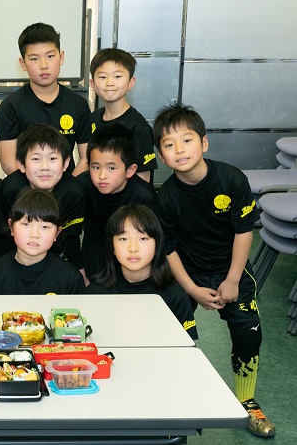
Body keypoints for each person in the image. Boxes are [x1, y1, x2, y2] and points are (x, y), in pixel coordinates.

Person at [153, 102, 274, 438]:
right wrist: (191, 289)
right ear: (161, 155)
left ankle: (247, 401)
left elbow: (244, 231)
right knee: (170, 332)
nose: (179, 150)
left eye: (187, 140)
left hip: (231, 269)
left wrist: (232, 280)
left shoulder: (232, 179)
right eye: (169, 144)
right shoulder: (167, 197)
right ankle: (168, 395)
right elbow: (169, 248)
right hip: (187, 272)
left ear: (204, 143)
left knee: (249, 334)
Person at [0, 22, 90, 176]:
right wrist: (36, 186)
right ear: (23, 64)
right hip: (26, 187)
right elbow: (9, 163)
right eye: (34, 59)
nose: (43, 65)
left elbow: (86, 158)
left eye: (50, 56)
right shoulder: (11, 106)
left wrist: (69, 186)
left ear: (61, 57)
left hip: (68, 184)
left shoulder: (78, 104)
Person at [88, 205, 196, 339]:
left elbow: (186, 346)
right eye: (123, 239)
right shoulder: (95, 293)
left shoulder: (175, 294)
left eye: (143, 238)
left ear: (157, 245)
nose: (133, 248)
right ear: (112, 247)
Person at [0, 124, 85, 276]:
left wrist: (79, 270)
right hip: (16, 254)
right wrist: (3, 272)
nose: (44, 167)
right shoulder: (10, 189)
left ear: (66, 163)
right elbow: (2, 236)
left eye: (52, 158)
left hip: (56, 256)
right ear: (21, 164)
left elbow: (71, 238)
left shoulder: (75, 193)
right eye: (36, 159)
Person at [78, 123, 156, 282]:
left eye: (111, 168)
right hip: (95, 245)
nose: (102, 176)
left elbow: (152, 240)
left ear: (130, 170)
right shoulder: (81, 187)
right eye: (96, 167)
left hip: (129, 249)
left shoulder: (143, 195)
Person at [0, 188, 85, 295]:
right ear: (11, 227)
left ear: (57, 233)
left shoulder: (70, 277)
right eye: (26, 224)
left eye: (45, 227)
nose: (34, 235)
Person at [89, 48, 157, 183]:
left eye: (117, 76)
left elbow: (143, 179)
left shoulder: (138, 127)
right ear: (92, 84)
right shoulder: (93, 118)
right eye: (102, 77)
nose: (109, 83)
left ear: (131, 82)